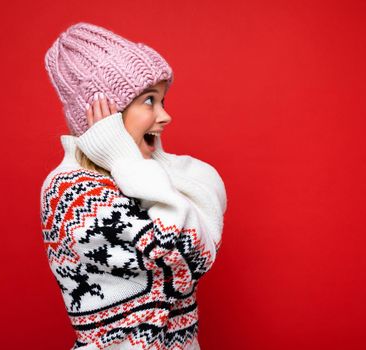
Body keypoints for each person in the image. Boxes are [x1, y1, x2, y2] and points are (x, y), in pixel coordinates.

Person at [40, 22, 227, 350]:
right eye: (149, 101)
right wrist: (126, 161)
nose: (166, 116)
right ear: (103, 113)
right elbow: (186, 254)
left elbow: (207, 187)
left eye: (163, 100)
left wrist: (133, 160)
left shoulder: (145, 173)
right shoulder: (70, 190)